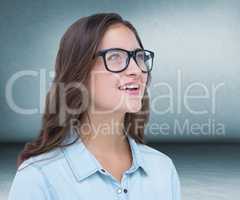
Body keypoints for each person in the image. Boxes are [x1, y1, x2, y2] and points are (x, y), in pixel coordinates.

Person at [8, 13, 182, 200]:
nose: (137, 70)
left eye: (139, 57)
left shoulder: (163, 169)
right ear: (79, 71)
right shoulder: (38, 177)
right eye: (115, 56)